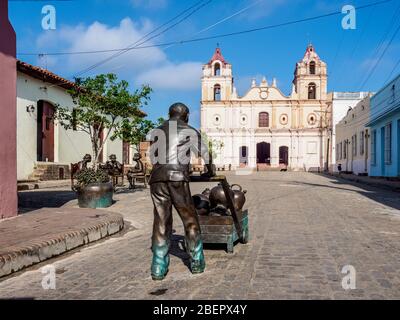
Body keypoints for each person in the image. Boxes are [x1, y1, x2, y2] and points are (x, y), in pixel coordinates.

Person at [148, 102, 215, 280]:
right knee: (189, 220)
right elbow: (206, 154)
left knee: (161, 221)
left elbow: (154, 156)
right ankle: (197, 262)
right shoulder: (189, 130)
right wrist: (211, 171)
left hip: (157, 179)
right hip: (177, 177)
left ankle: (158, 267)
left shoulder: (157, 130)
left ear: (169, 114)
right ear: (185, 115)